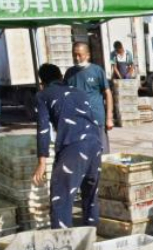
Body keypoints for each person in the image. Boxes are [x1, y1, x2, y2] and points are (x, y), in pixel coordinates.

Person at [33, 63, 103, 229]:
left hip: (74, 145)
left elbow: (43, 129)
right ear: (61, 77)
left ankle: (61, 240)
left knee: (61, 196)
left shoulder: (43, 95)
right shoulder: (79, 92)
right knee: (90, 195)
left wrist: (42, 162)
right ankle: (90, 235)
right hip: (95, 143)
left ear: (42, 82)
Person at [64, 42, 112, 151]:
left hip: (96, 118)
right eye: (74, 55)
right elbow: (66, 97)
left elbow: (108, 93)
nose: (76, 58)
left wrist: (109, 118)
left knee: (102, 152)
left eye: (79, 55)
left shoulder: (97, 70)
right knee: (83, 152)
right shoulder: (69, 73)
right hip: (77, 121)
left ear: (88, 55)